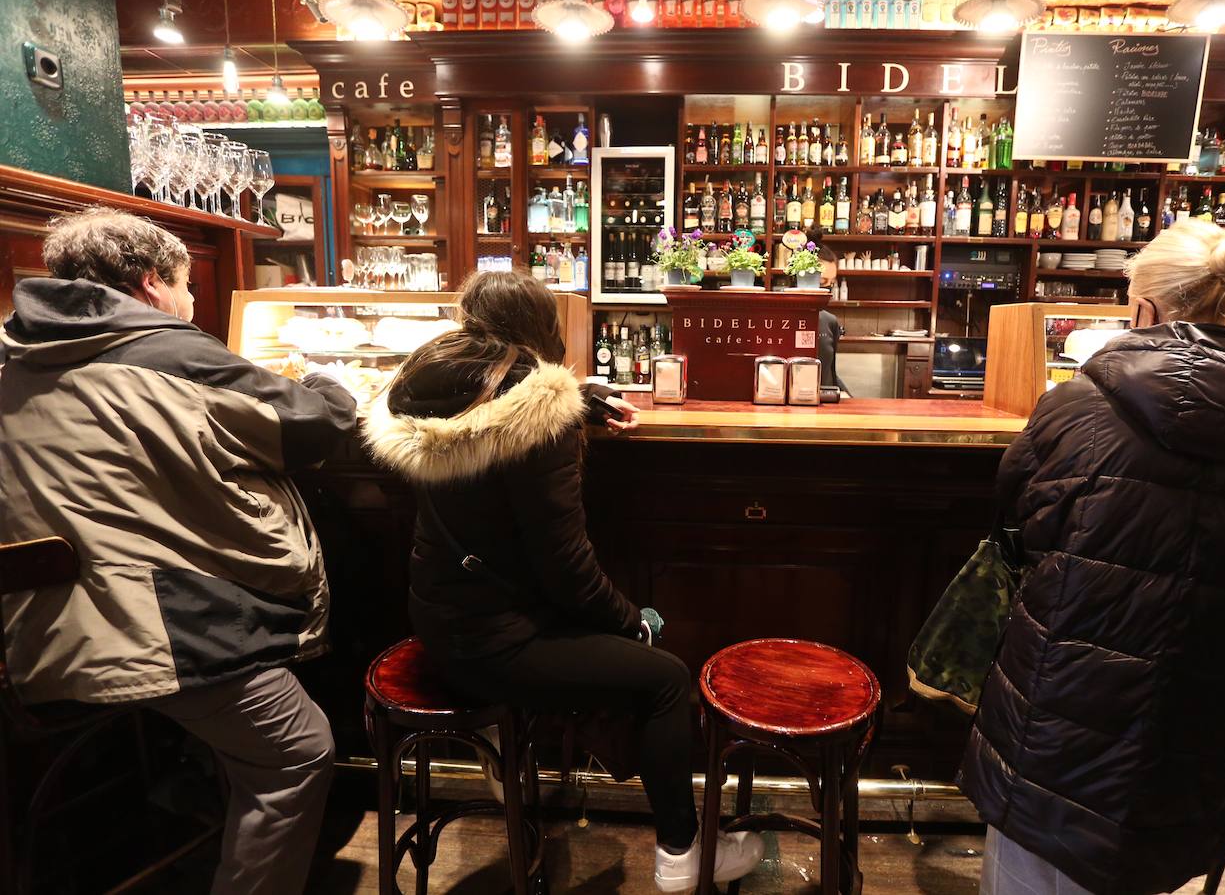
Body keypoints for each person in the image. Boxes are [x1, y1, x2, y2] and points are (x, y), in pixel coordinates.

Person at [958, 220, 1225, 895]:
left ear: (1145, 309)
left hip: (1062, 723)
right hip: (1197, 742)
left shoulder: (1076, 407)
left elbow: (1018, 534)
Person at [363, 270, 764, 893]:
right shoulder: (539, 417)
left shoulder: (426, 378)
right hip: (496, 644)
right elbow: (567, 570)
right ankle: (683, 855)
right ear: (543, 329)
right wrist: (634, 621)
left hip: (440, 618)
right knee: (665, 679)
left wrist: (585, 398)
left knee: (611, 653)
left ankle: (515, 769)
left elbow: (496, 405)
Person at [0, 207, 358, 895]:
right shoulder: (167, 350)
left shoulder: (15, 350)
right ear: (149, 284)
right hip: (147, 627)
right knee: (298, 753)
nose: (192, 302)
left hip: (40, 629)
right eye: (187, 284)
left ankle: (192, 783)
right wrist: (326, 379)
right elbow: (315, 427)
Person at [806, 229, 850, 395]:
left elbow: (829, 374)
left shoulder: (829, 321)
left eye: (831, 283)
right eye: (822, 282)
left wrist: (846, 396)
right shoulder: (779, 316)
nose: (827, 291)